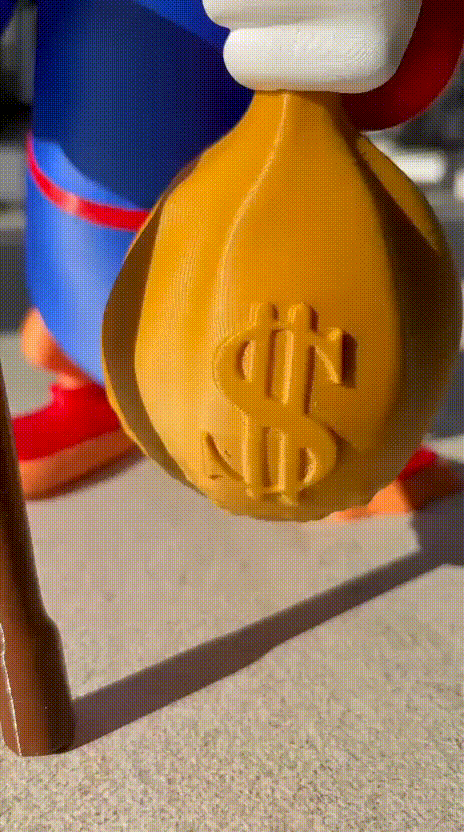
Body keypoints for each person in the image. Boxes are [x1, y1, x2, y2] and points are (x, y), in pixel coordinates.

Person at [2, 0, 463, 515]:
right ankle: (93, 389)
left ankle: (359, 427)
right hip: (85, 142)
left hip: (274, 139)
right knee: (81, 303)